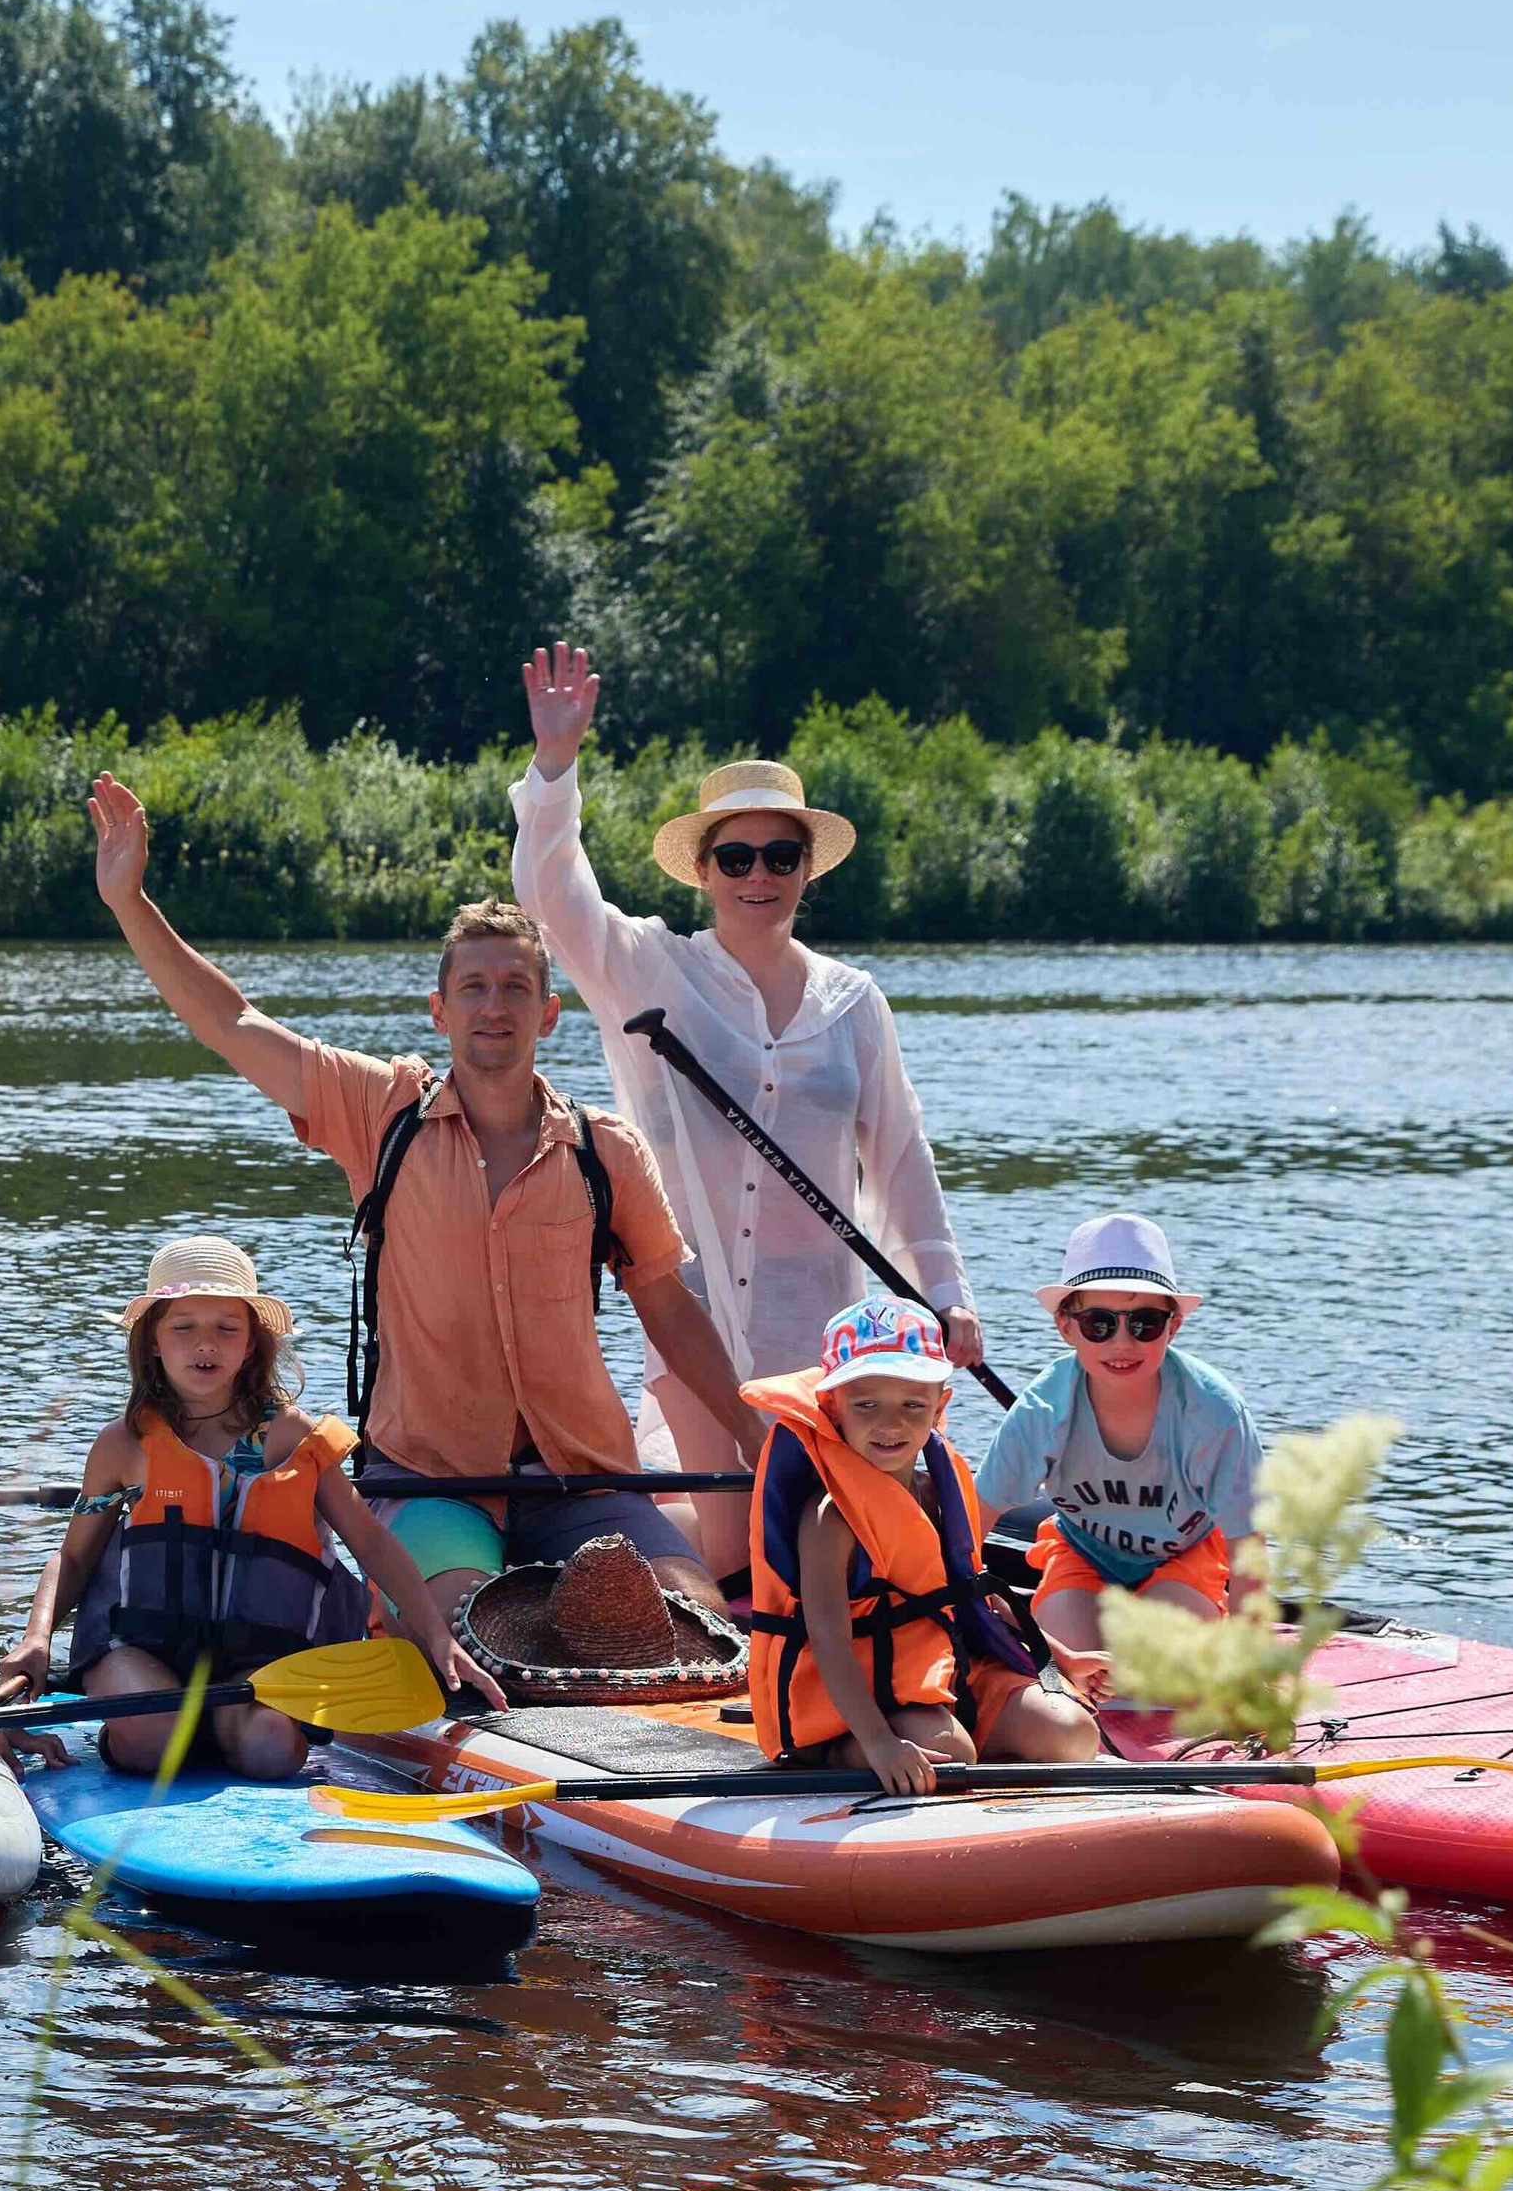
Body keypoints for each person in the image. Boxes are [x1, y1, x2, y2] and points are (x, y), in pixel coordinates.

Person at [87, 773, 762, 1629]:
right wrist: (130, 901)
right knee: (468, 1626)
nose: (494, 1006)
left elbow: (667, 1306)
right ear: (440, 1012)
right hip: (432, 1480)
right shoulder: (382, 1114)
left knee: (688, 1624)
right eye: (473, 988)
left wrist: (755, 1434)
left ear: (550, 1013)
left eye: (515, 987)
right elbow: (235, 1023)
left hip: (584, 1479)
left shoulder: (606, 1150)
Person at [514, 645, 981, 1587]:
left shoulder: (855, 1004)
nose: (757, 875)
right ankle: (580, 1534)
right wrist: (555, 769)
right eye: (735, 857)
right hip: (693, 1324)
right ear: (704, 871)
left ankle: (629, 1532)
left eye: (779, 856)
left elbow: (901, 1160)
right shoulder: (649, 968)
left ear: (808, 870)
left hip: (825, 1333)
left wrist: (945, 1296)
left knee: (812, 1554)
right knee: (735, 1555)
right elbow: (553, 899)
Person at [0, 1237, 503, 1777]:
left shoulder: (295, 1438)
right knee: (152, 1739)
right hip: (140, 1650)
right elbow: (74, 1558)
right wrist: (36, 1639)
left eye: (227, 1328)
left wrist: (439, 1638)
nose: (205, 1344)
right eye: (183, 1327)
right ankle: (147, 1730)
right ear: (153, 1343)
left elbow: (372, 1542)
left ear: (251, 1345)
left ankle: (220, 1727)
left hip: (259, 1662)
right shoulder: (123, 1444)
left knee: (272, 1752)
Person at [744, 1294, 1096, 1793]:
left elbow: (974, 1592)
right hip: (849, 1704)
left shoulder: (937, 1491)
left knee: (1072, 1733)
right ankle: (831, 1753)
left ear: (940, 1406)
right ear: (833, 1407)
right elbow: (827, 1637)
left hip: (936, 1681)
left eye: (912, 1405)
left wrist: (1063, 1658)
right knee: (951, 1755)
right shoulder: (830, 1516)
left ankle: (951, 1745)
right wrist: (878, 1743)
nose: (891, 1424)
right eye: (867, 1404)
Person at [975, 1214, 1264, 1696]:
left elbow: (1248, 1545)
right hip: (1080, 1553)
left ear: (1173, 1326)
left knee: (1159, 1681)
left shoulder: (1214, 1412)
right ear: (1065, 1326)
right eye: (1099, 1324)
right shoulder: (1042, 1409)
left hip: (1186, 1556)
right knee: (1072, 1682)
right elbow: (970, 1524)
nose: (1122, 1343)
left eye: (1145, 1323)